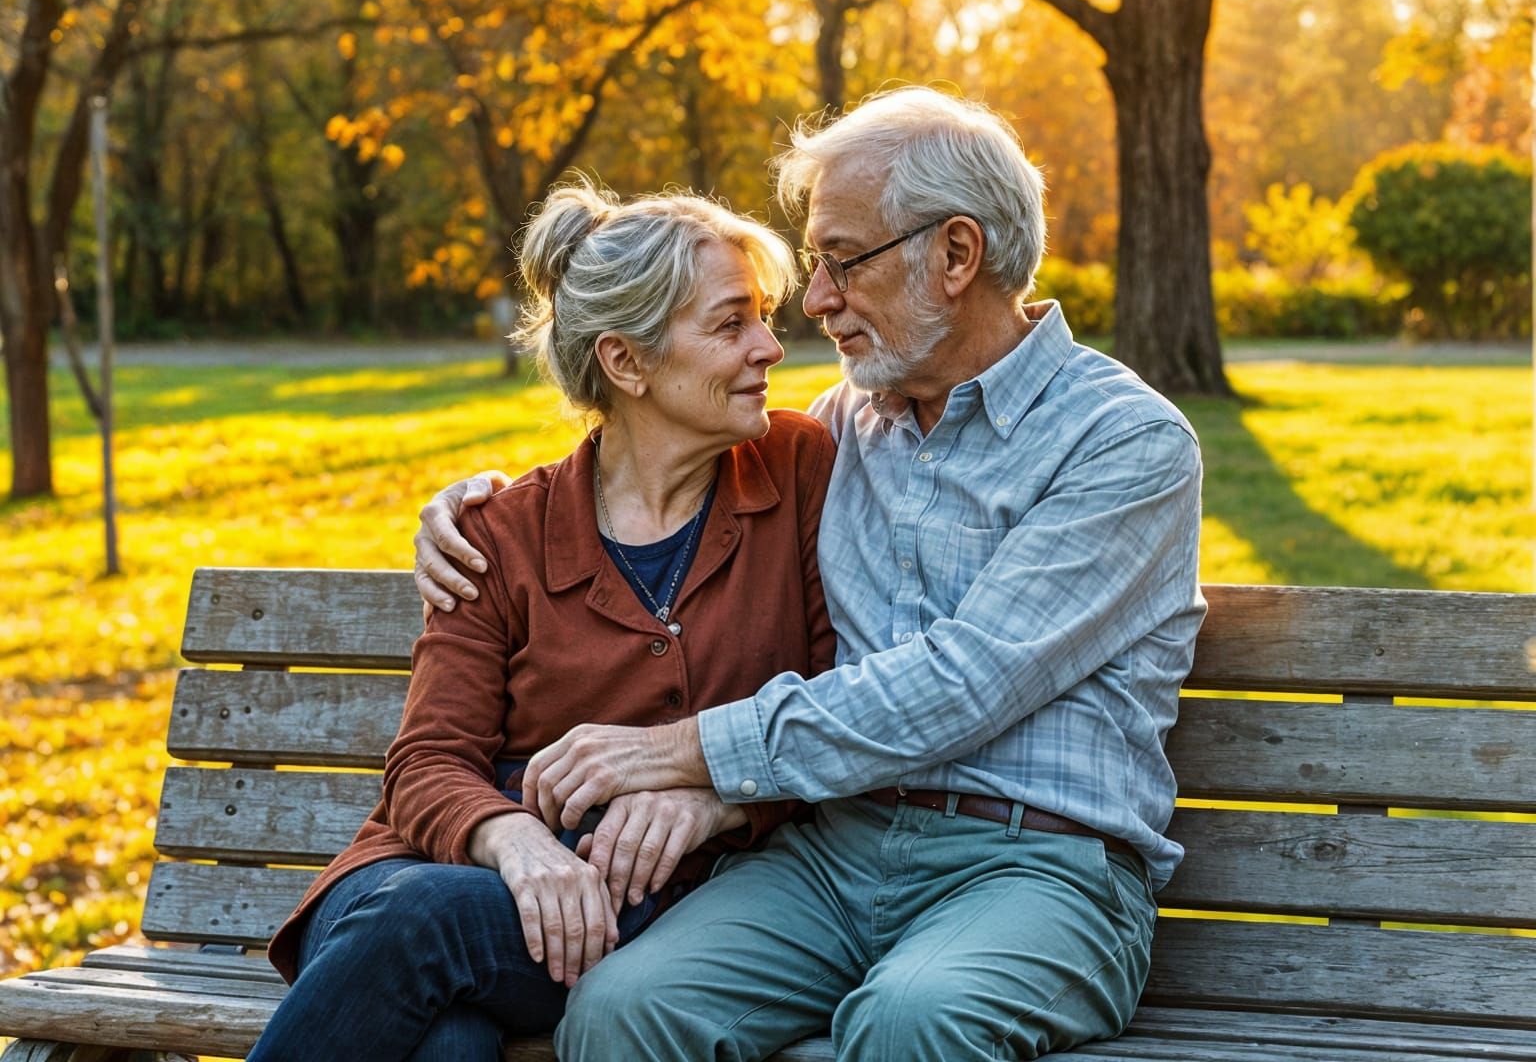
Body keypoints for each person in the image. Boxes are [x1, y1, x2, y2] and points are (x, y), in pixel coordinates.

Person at [415, 86, 1206, 1061]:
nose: (817, 300)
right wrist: (475, 507)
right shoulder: (837, 429)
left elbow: (962, 683)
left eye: (842, 260)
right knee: (626, 1010)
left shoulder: (1122, 444)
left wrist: (683, 755)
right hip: (833, 855)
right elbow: (649, 458)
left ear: (957, 256)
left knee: (911, 1022)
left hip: (1040, 869)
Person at [247, 180, 837, 1062]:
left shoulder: (799, 472)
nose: (769, 347)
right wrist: (517, 842)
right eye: (730, 325)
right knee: (421, 941)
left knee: (446, 1038)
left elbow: (844, 704)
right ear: (626, 363)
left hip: (632, 897)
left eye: (763, 316)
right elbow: (428, 763)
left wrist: (720, 796)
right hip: (426, 873)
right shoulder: (500, 533)